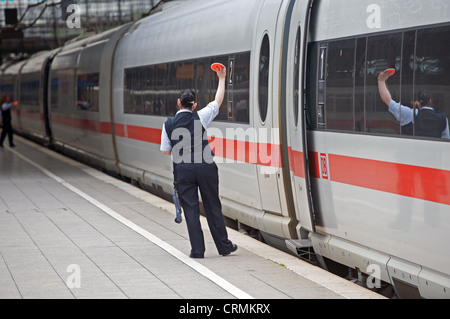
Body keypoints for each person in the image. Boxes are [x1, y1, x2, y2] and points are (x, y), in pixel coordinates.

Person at [160, 66, 237, 259]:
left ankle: (197, 250)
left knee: (191, 210)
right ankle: (224, 246)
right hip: (205, 167)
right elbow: (218, 101)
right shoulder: (200, 117)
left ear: (179, 103)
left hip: (183, 170)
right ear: (194, 105)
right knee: (212, 206)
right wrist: (221, 78)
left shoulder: (168, 124)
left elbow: (165, 150)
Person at [378, 70, 450, 139]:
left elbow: (388, 101)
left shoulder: (411, 114)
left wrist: (381, 81)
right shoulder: (443, 119)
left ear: (417, 103)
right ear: (430, 101)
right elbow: (446, 140)